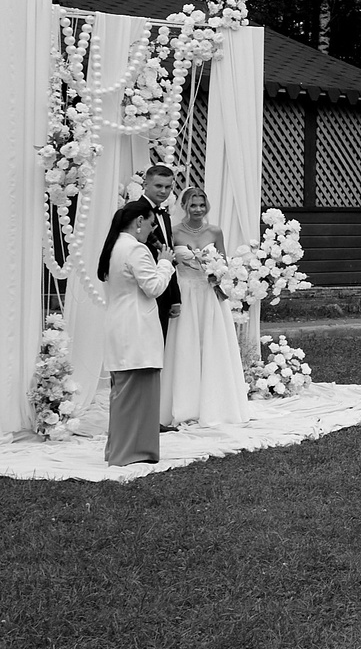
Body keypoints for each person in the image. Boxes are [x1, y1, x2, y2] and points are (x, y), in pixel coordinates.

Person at [96, 197, 174, 467]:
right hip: (136, 326)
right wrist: (165, 263)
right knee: (135, 392)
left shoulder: (115, 246)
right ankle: (131, 451)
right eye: (152, 225)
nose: (152, 231)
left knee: (125, 393)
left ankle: (122, 449)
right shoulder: (135, 249)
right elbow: (153, 287)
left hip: (120, 324)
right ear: (139, 221)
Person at [162, 184, 247, 427]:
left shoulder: (215, 231)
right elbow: (168, 262)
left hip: (209, 295)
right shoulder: (175, 232)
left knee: (212, 345)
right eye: (193, 205)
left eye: (202, 205)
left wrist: (217, 275)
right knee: (185, 345)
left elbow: (225, 263)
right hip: (185, 293)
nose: (198, 209)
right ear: (184, 207)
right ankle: (185, 405)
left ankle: (216, 403)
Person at [136, 161, 185, 333]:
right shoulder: (135, 212)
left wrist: (174, 298)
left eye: (168, 187)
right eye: (158, 186)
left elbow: (168, 256)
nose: (163, 191)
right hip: (143, 291)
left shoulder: (164, 215)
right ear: (145, 184)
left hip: (164, 290)